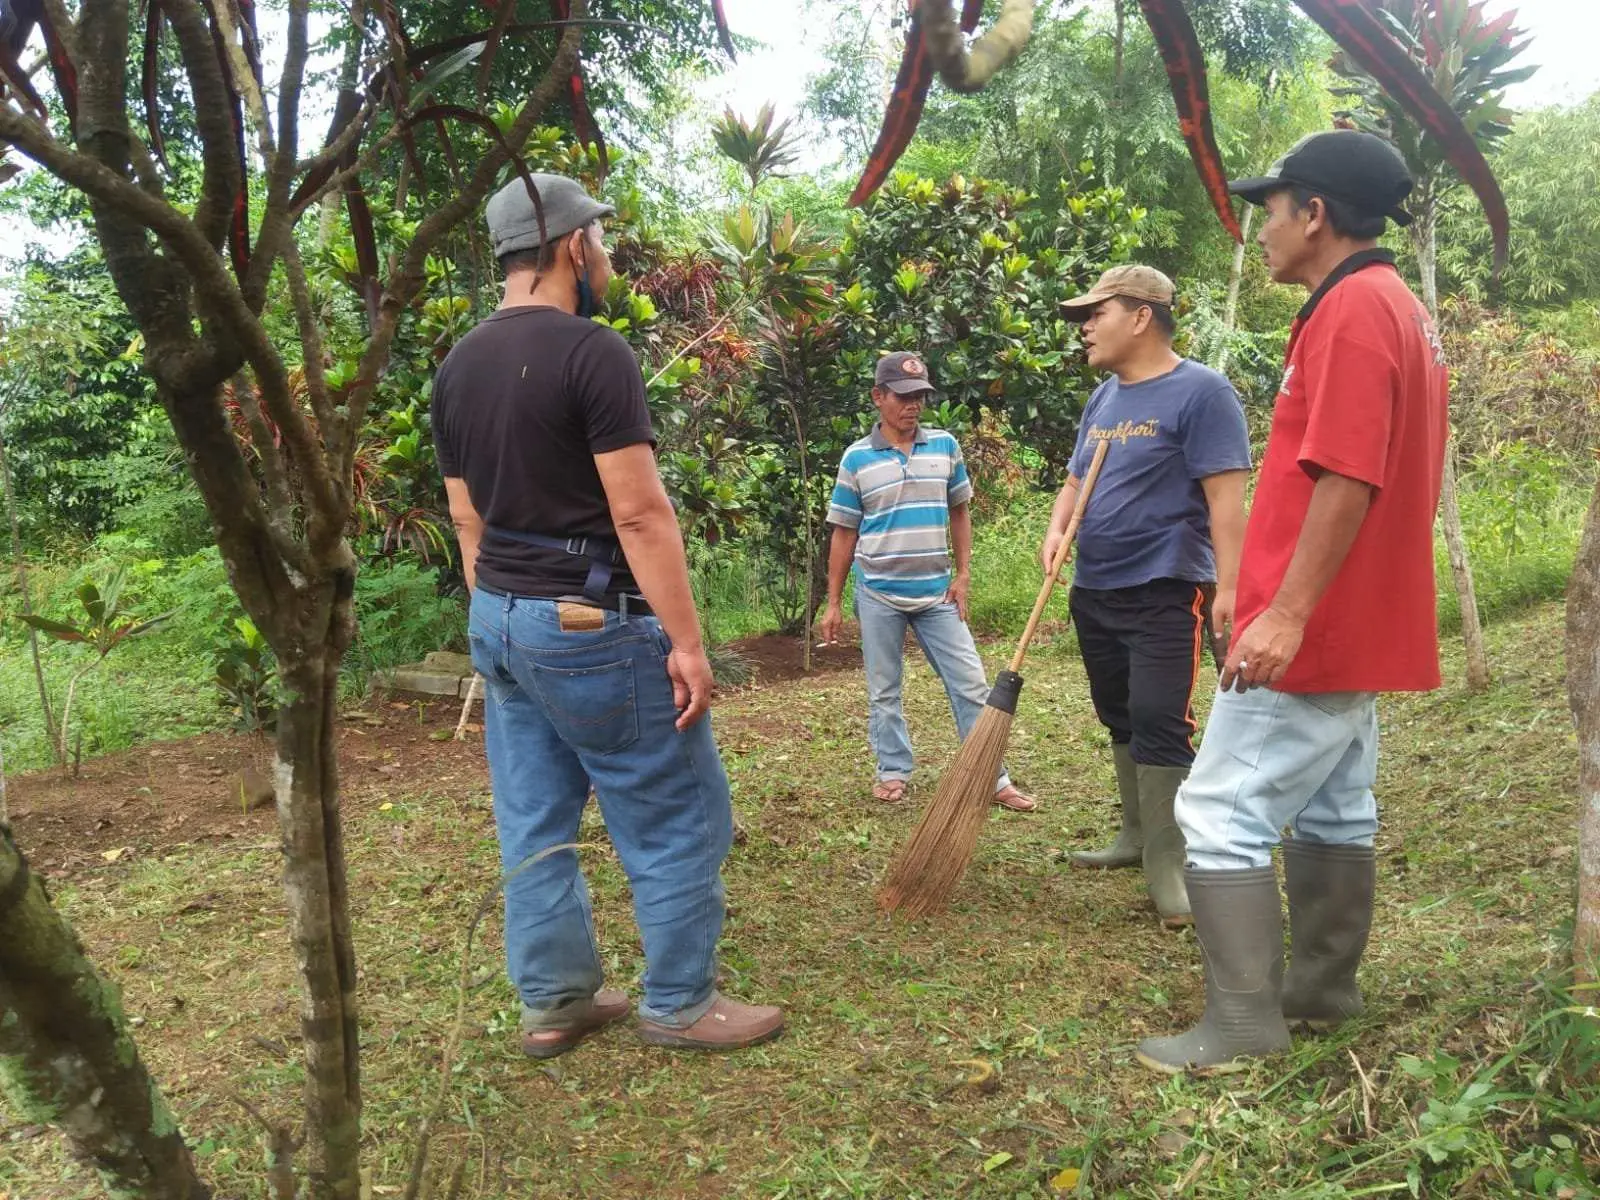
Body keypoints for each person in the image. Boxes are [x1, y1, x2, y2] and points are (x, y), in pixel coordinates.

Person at [432, 172, 783, 1058]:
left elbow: (467, 518)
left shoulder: (457, 364)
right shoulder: (594, 353)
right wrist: (691, 645)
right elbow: (639, 514)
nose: (609, 255)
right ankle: (680, 1003)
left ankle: (553, 1004)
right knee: (674, 811)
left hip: (500, 618)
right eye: (602, 240)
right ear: (570, 247)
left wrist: (500, 621)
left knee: (535, 819)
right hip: (589, 622)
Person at [1136, 130, 1448, 1073]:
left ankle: (1241, 1024)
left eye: (1271, 209)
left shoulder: (1353, 310)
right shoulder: (1397, 306)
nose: (1261, 226)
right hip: (1359, 615)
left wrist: (1286, 610)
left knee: (1220, 809)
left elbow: (1347, 474)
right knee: (1335, 808)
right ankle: (1319, 991)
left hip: (1313, 623)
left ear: (1316, 214)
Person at [1042, 265, 1250, 928]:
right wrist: (1055, 528)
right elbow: (1077, 480)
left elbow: (1226, 500)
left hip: (1165, 585)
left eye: (1094, 314)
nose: (1083, 329)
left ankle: (1170, 863)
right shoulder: (1103, 399)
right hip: (1095, 584)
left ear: (1140, 315)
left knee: (1162, 717)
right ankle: (1135, 837)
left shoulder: (1203, 393)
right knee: (1121, 714)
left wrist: (1232, 586)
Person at [820, 351, 1036, 811]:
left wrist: (963, 575)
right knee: (884, 689)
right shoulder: (857, 458)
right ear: (879, 397)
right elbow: (844, 532)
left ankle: (990, 776)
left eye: (919, 396)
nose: (913, 405)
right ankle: (893, 770)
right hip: (878, 593)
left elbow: (960, 511)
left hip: (937, 593)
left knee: (972, 685)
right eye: (903, 396)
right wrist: (834, 601)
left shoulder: (944, 446)